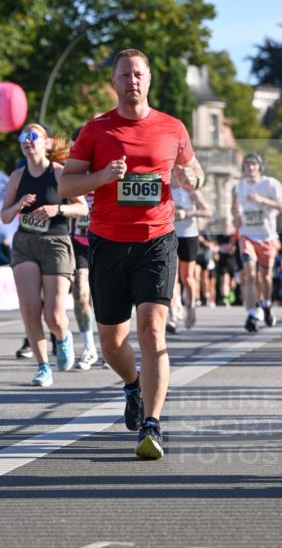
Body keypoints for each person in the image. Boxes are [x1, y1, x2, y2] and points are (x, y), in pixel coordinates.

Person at [59, 48, 204, 459]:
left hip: (157, 241)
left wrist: (191, 178)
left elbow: (196, 171)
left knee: (152, 330)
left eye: (138, 74)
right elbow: (66, 186)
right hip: (107, 242)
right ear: (114, 82)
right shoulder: (95, 130)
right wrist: (103, 176)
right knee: (111, 342)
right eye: (125, 75)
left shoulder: (173, 127)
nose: (132, 81)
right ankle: (133, 384)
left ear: (149, 79)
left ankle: (152, 424)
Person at [0, 123, 87, 387]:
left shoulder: (59, 173)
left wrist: (57, 209)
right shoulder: (17, 176)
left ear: (46, 143)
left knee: (54, 314)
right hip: (25, 243)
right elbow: (5, 216)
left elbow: (83, 208)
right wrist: (18, 205)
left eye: (33, 136)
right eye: (23, 136)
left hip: (55, 242)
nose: (27, 140)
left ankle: (62, 337)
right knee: (29, 309)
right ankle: (42, 367)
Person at [232, 153, 282, 333]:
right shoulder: (239, 186)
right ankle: (251, 314)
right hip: (247, 236)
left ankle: (266, 304)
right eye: (247, 165)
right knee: (249, 275)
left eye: (253, 164)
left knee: (265, 277)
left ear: (259, 167)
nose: (250, 167)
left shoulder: (270, 184)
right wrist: (235, 217)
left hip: (266, 237)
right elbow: (235, 210)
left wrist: (262, 200)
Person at [69, 127, 98, 369]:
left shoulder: (105, 168)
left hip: (105, 241)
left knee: (105, 298)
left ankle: (112, 345)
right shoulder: (69, 172)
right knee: (80, 294)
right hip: (78, 242)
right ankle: (89, 347)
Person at [169, 175, 212, 332]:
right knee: (171, 277)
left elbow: (207, 212)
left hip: (188, 235)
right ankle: (173, 314)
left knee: (187, 277)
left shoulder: (190, 190)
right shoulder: (164, 187)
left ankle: (191, 308)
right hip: (169, 235)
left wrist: (187, 214)